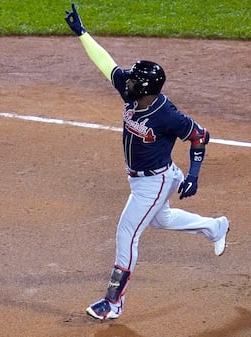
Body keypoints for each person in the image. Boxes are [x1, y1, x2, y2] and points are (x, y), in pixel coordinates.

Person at [64, 4, 230, 320]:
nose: (125, 80)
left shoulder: (167, 114)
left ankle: (113, 303)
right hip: (143, 178)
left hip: (155, 181)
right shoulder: (134, 95)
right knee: (161, 220)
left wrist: (194, 175)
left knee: (127, 232)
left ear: (143, 88)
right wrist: (82, 33)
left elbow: (199, 136)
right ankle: (214, 226)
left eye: (133, 79)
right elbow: (106, 65)